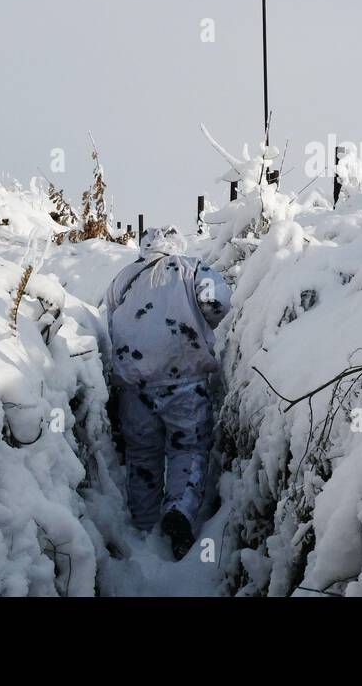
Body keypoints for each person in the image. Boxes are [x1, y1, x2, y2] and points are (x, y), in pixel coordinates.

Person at [104, 226, 231, 559]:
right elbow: (217, 301)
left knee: (141, 453)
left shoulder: (124, 277)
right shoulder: (191, 268)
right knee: (187, 447)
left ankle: (143, 527)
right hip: (185, 380)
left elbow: (111, 322)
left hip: (136, 385)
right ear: (177, 244)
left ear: (143, 247)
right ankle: (180, 511)